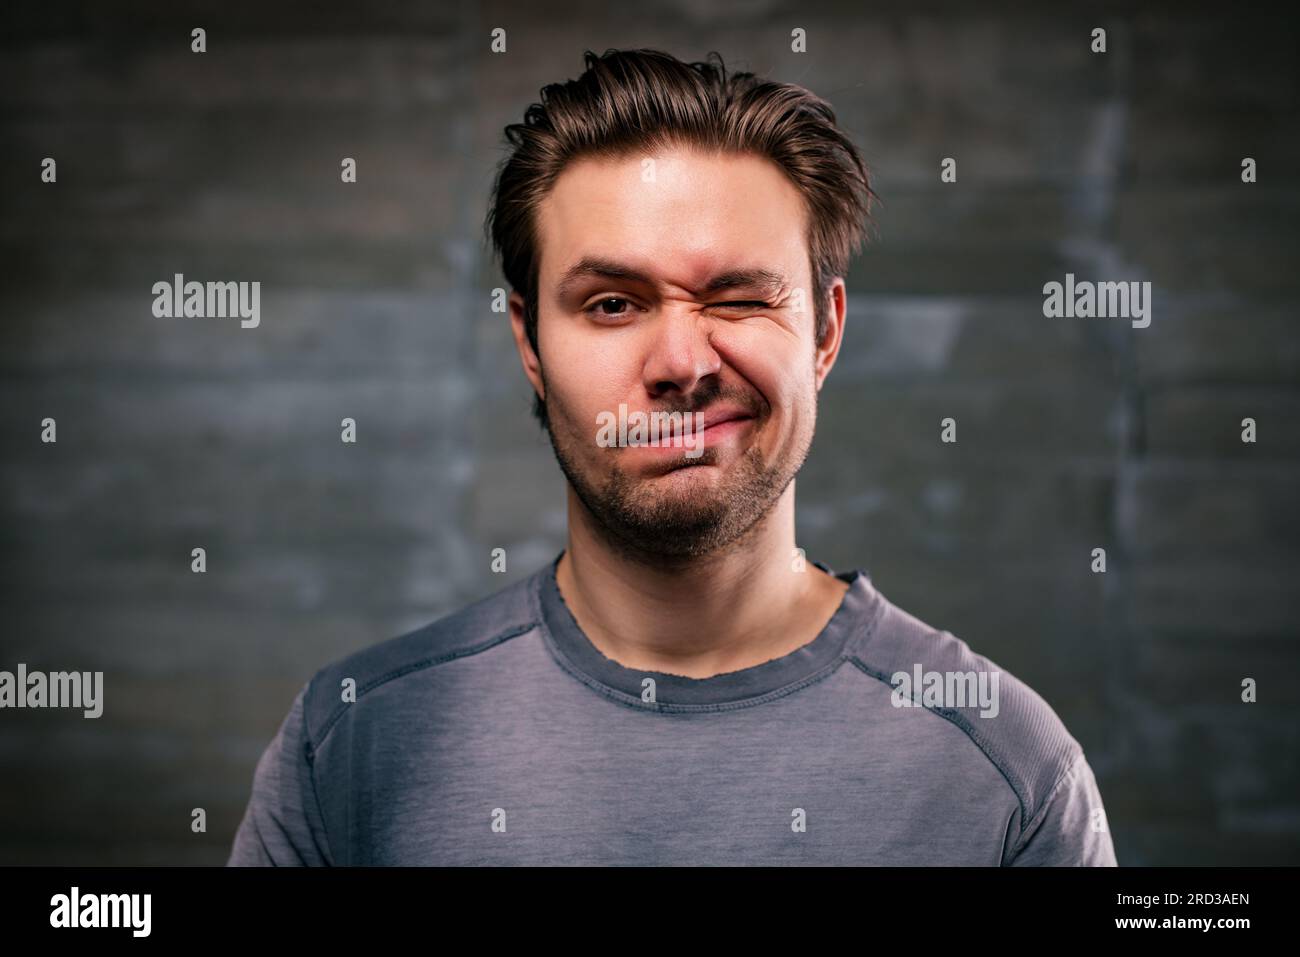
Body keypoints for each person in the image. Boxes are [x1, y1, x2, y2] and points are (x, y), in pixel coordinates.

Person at [227, 48, 1117, 866]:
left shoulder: (1008, 778)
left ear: (826, 332)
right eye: (613, 303)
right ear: (529, 341)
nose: (683, 364)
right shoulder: (349, 746)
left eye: (736, 298)